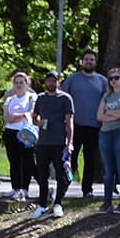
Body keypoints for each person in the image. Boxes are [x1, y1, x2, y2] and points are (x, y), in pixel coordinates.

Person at [64, 51, 108, 196]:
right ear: (82, 61)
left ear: (95, 62)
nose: (89, 61)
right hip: (74, 126)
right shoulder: (72, 79)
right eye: (86, 59)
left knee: (90, 160)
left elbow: (108, 102)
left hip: (94, 126)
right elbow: (63, 98)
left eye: (92, 59)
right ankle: (64, 186)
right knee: (71, 159)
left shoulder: (102, 81)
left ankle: (87, 189)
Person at [94, 69, 120, 214]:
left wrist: (110, 113)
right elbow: (99, 116)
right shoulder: (107, 95)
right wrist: (116, 114)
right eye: (111, 78)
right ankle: (107, 202)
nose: (113, 81)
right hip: (105, 133)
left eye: (116, 78)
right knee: (109, 171)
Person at [33, 70, 74, 216]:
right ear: (45, 82)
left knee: (61, 175)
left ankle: (58, 203)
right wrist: (39, 122)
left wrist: (69, 143)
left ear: (59, 82)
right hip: (43, 142)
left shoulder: (65, 98)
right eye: (49, 80)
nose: (51, 83)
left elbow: (70, 122)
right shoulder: (41, 98)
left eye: (54, 80)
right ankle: (42, 204)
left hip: (59, 142)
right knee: (42, 175)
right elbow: (34, 117)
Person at [0, 70, 37, 206]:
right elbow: (6, 118)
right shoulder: (9, 99)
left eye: (22, 82)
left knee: (27, 161)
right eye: (16, 83)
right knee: (14, 161)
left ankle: (25, 188)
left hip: (25, 133)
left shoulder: (31, 97)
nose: (19, 85)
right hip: (10, 132)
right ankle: (15, 187)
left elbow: (30, 113)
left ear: (27, 84)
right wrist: (20, 116)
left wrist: (16, 117)